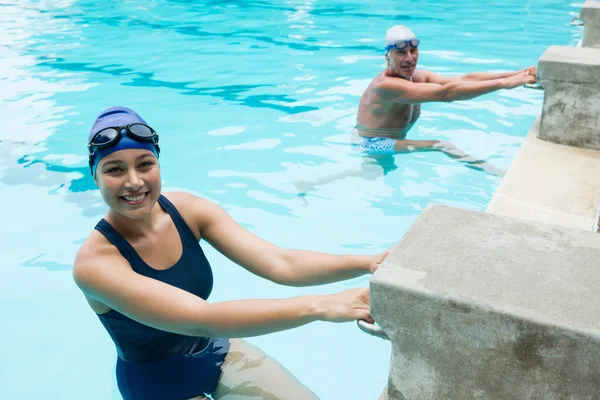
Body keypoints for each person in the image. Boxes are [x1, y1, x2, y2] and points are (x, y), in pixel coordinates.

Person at [72, 106, 389, 400]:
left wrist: (369, 263)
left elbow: (281, 263)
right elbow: (202, 319)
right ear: (95, 177)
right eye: (115, 170)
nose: (134, 182)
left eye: (145, 164)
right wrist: (321, 305)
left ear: (158, 164)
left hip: (214, 351)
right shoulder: (95, 264)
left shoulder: (187, 210)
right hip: (155, 384)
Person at [354, 24, 537, 161]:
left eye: (413, 50)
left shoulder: (416, 77)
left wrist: (516, 74)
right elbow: (446, 94)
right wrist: (505, 84)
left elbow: (463, 79)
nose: (410, 58)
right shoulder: (386, 86)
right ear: (387, 56)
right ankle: (496, 173)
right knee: (441, 145)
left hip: (394, 139)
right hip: (373, 144)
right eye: (401, 52)